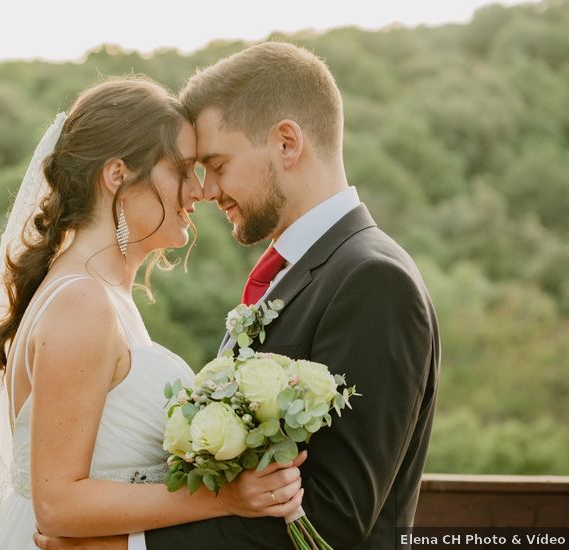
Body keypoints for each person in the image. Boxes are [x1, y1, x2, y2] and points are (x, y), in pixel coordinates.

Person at [36, 42, 440, 550]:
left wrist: (122, 548)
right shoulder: (297, 275)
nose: (204, 191)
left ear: (287, 144)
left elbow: (332, 517)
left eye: (218, 164)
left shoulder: (373, 280)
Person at [0, 77, 305, 550]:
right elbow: (58, 505)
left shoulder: (97, 294)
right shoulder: (82, 303)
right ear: (117, 174)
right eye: (182, 169)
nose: (199, 191)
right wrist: (224, 499)